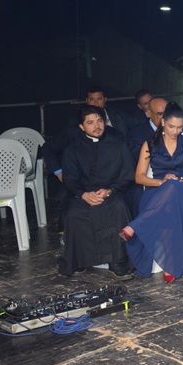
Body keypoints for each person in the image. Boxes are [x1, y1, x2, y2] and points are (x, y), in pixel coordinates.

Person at [119, 102, 183, 283]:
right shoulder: (150, 144)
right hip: (157, 193)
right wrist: (161, 182)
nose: (175, 131)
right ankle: (171, 264)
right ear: (163, 123)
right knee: (170, 194)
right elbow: (139, 177)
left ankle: (134, 226)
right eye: (171, 126)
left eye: (179, 127)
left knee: (174, 187)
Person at [58, 105, 134, 280]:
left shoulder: (118, 145)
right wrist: (84, 195)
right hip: (82, 194)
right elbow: (70, 179)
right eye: (90, 122)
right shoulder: (73, 149)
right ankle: (79, 260)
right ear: (81, 126)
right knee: (73, 214)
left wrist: (109, 191)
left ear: (105, 122)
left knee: (119, 208)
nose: (97, 126)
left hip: (112, 192)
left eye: (100, 121)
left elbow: (127, 175)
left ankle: (117, 261)